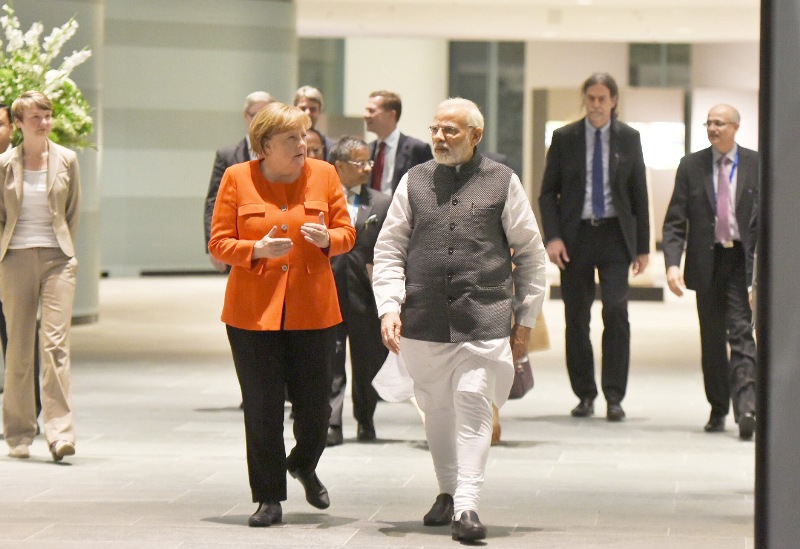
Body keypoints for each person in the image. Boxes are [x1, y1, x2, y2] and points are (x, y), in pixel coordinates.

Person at [372, 98, 546, 542]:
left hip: (483, 317)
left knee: (472, 402)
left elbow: (530, 254)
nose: (440, 138)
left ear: (475, 135)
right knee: (436, 409)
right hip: (423, 320)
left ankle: (467, 505)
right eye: (435, 129)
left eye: (451, 131)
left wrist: (525, 320)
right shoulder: (413, 181)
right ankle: (447, 491)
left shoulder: (503, 182)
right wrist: (389, 306)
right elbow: (389, 249)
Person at [208, 102, 355, 527]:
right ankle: (268, 497)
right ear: (265, 145)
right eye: (292, 137)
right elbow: (218, 242)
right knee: (262, 408)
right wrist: (254, 249)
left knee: (316, 410)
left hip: (314, 310)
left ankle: (303, 463)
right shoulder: (238, 177)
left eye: (305, 134)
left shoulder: (325, 174)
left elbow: (348, 232)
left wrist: (329, 237)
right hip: (253, 315)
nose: (303, 144)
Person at [538, 72, 650, 422]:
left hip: (615, 236)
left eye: (603, 99)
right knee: (577, 317)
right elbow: (547, 193)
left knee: (616, 313)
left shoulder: (629, 139)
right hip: (576, 238)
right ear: (584, 100)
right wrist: (552, 237)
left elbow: (639, 196)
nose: (597, 105)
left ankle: (614, 396)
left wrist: (643, 247)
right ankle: (585, 394)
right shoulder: (564, 137)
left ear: (614, 101)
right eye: (591, 99)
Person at [662, 104, 758, 440]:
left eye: (719, 123)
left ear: (735, 126)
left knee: (742, 332)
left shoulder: (756, 164)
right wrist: (672, 263)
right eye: (709, 123)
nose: (713, 128)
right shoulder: (692, 166)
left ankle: (747, 407)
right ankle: (718, 408)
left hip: (741, 262)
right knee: (712, 338)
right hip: (707, 262)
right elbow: (675, 220)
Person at [0, 91, 81, 462]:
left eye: (46, 115)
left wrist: (67, 254)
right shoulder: (5, 164)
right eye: (34, 117)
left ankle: (60, 433)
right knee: (18, 346)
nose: (43, 122)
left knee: (55, 346)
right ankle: (17, 432)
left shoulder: (67, 159)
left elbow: (72, 212)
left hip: (57, 260)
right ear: (18, 123)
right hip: (15, 258)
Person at [325, 136, 391, 447]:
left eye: (369, 161)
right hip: (328, 294)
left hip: (366, 297)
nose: (367, 168)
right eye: (359, 162)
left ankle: (366, 420)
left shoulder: (380, 202)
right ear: (338, 166)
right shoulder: (320, 200)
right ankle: (332, 424)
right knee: (331, 361)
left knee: (368, 363)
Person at [204, 91, 274, 273]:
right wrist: (212, 243)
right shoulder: (226, 155)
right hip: (238, 241)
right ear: (245, 116)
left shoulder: (280, 151)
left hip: (272, 235)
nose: (260, 121)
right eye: (255, 115)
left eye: (265, 115)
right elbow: (214, 201)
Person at [364, 90, 433, 195]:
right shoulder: (367, 150)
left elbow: (429, 189)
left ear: (391, 114)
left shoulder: (418, 149)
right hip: (373, 210)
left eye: (371, 111)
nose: (365, 115)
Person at [294, 86, 336, 160]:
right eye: (303, 108)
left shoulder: (331, 148)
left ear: (319, 112)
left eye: (313, 109)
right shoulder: (283, 141)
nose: (308, 113)